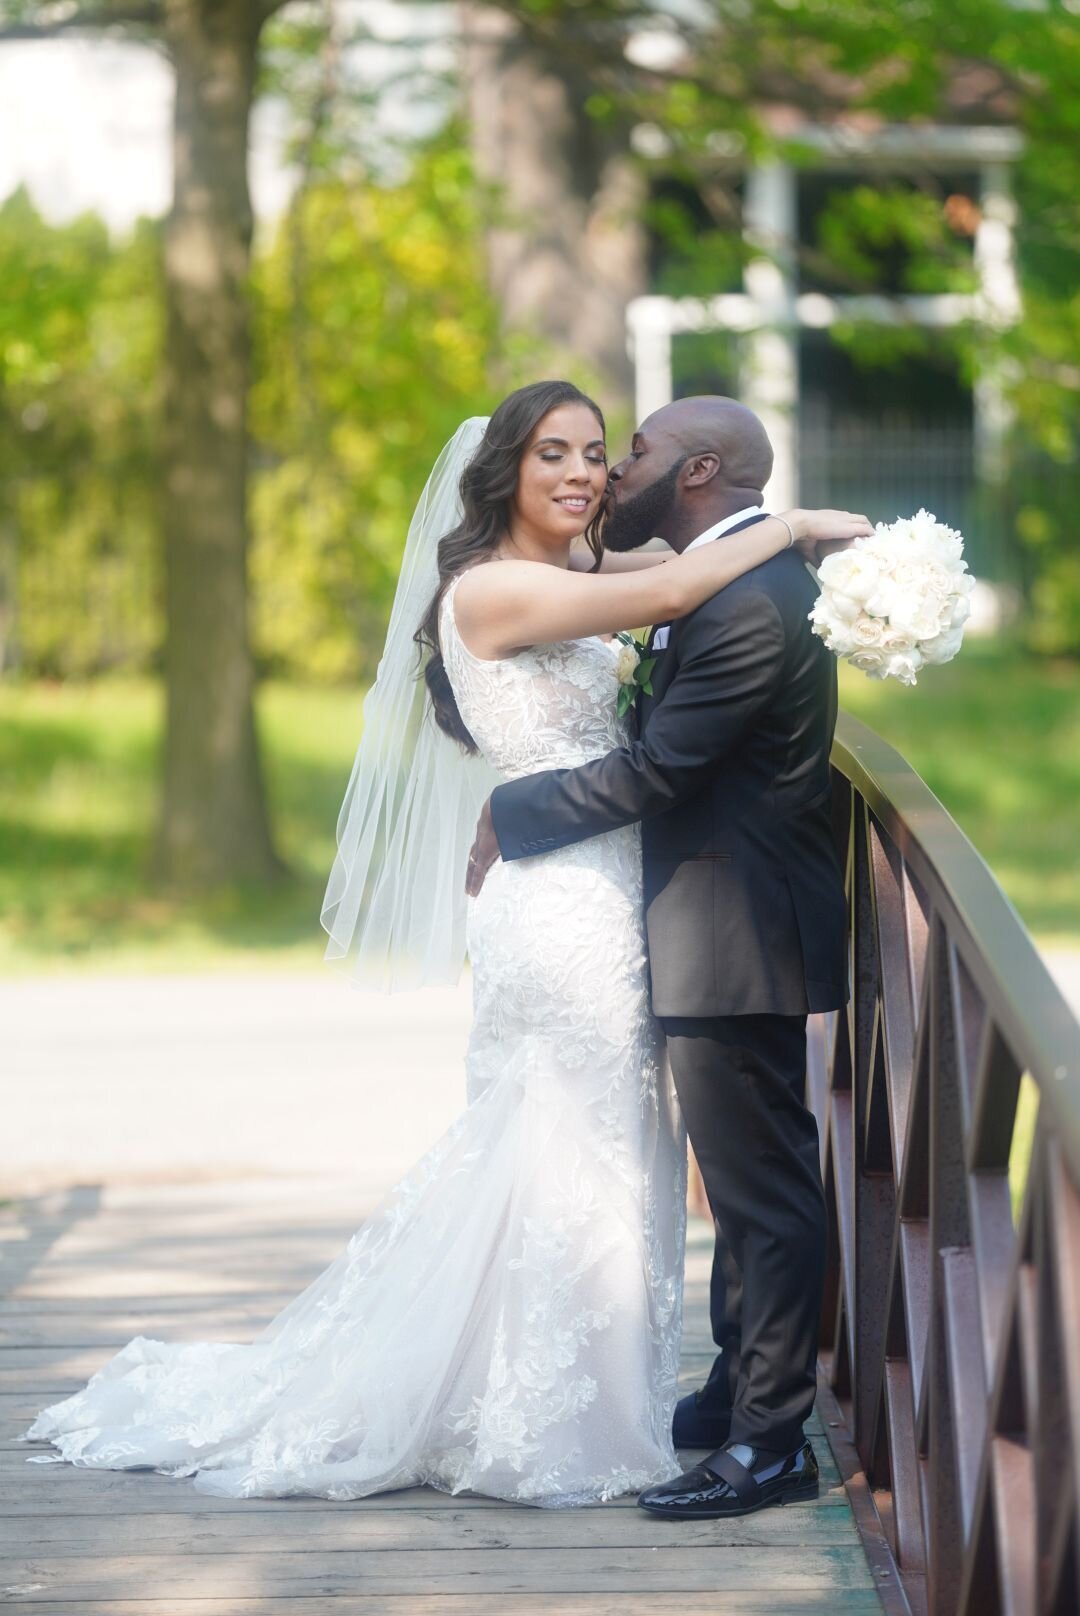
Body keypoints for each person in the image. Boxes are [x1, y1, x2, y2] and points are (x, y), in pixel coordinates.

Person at [22, 380, 868, 1508]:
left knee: (597, 1147)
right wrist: (801, 526)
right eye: (555, 454)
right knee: (565, 1143)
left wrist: (766, 533)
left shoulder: (571, 574)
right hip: (562, 904)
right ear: (502, 473)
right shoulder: (496, 587)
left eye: (600, 450)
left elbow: (667, 580)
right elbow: (675, 583)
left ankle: (582, 1393)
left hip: (605, 888)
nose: (585, 473)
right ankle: (544, 1410)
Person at [467, 392, 854, 1520]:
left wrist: (515, 808)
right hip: (701, 926)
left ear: (696, 472)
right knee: (743, 1190)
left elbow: (660, 770)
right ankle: (741, 1386)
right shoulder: (719, 582)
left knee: (763, 1194)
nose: (613, 469)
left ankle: (771, 1444)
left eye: (629, 450)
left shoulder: (747, 597)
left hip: (733, 935)